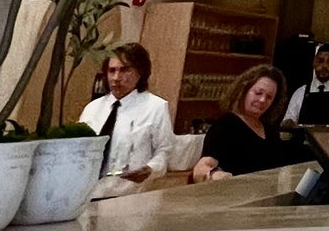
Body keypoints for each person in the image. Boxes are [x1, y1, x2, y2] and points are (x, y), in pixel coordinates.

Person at [79, 43, 174, 186]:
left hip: (130, 193)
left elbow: (164, 151)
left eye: (124, 70)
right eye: (112, 71)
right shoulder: (92, 109)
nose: (116, 77)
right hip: (90, 191)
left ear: (140, 72)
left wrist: (150, 169)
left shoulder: (155, 107)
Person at [192, 64, 291, 181]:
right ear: (244, 90)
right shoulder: (224, 127)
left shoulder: (270, 129)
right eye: (258, 93)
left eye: (269, 97)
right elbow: (203, 168)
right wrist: (216, 175)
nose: (263, 100)